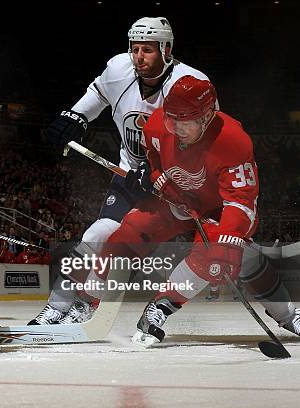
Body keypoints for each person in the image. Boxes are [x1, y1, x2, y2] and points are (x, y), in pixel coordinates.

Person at [30, 16, 214, 325]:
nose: (138, 57)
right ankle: (61, 307)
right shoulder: (119, 69)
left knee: (224, 245)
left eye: (148, 50)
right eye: (134, 49)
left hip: (180, 184)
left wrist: (164, 172)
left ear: (166, 50)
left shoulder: (190, 83)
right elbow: (99, 93)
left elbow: (206, 141)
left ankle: (284, 311)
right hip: (130, 175)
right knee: (97, 234)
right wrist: (76, 117)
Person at [104, 75, 299, 345]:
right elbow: (154, 157)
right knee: (132, 229)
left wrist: (229, 235)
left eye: (185, 122)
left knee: (218, 256)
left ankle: (160, 306)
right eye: (172, 119)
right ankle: (82, 302)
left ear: (207, 117)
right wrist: (156, 176)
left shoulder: (233, 140)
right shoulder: (157, 125)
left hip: (220, 209)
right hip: (178, 200)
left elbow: (241, 201)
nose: (176, 129)